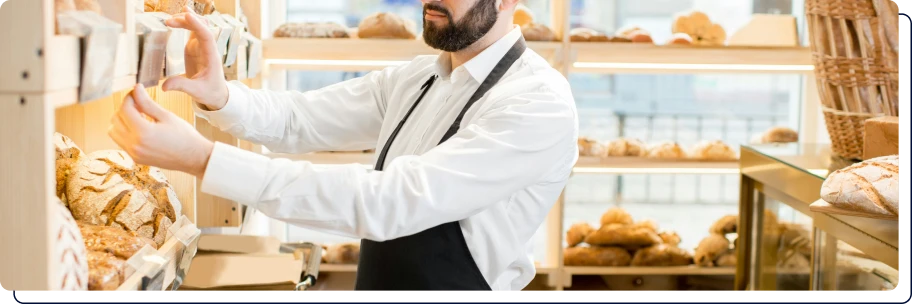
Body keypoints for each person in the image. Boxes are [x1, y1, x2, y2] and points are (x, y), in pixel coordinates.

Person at [109, 0, 578, 296]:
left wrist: (203, 159)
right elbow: (299, 118)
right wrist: (219, 94)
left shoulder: (536, 102)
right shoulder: (419, 77)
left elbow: (391, 201)